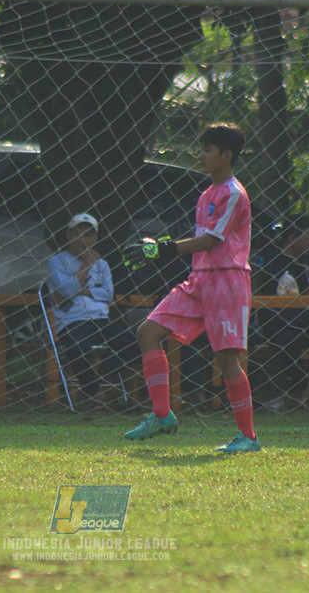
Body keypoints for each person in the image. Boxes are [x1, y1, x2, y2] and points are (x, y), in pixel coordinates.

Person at [121, 122, 259, 453]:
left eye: (207, 150)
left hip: (227, 282)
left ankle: (248, 438)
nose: (201, 155)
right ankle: (162, 415)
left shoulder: (233, 194)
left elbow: (211, 240)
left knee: (226, 360)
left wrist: (162, 249)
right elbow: (198, 238)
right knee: (147, 332)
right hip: (199, 281)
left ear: (226, 156)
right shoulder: (206, 194)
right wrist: (161, 245)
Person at [47, 213, 136, 411]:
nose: (83, 240)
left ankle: (101, 369)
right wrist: (87, 264)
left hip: (100, 320)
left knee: (137, 343)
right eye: (78, 234)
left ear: (95, 239)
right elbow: (66, 291)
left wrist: (80, 289)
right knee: (76, 347)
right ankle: (95, 392)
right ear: (69, 235)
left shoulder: (102, 265)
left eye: (88, 236)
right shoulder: (57, 262)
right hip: (72, 322)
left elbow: (109, 295)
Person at [252, 214, 309, 408]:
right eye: (307, 237)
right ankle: (302, 384)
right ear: (292, 238)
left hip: (307, 318)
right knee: (283, 337)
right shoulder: (270, 260)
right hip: (275, 318)